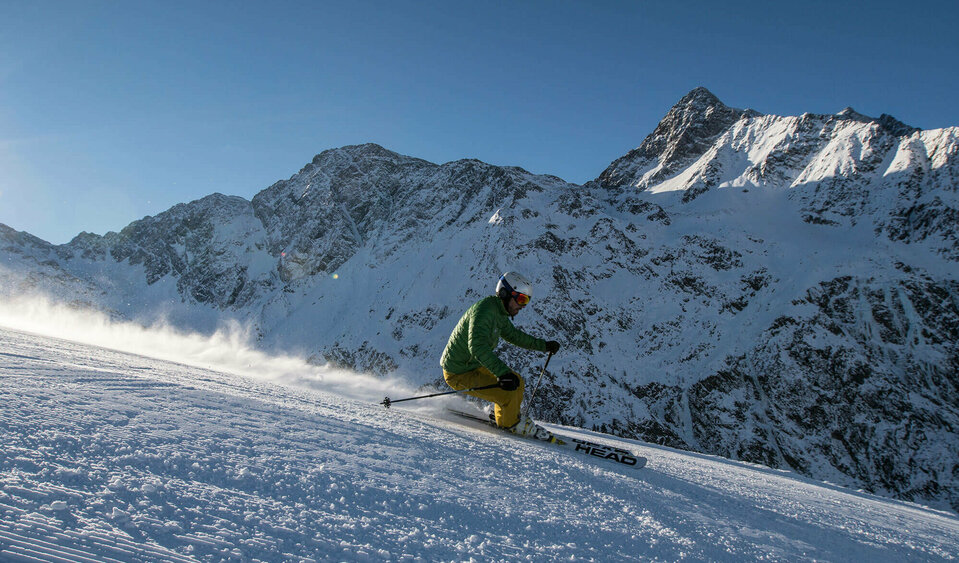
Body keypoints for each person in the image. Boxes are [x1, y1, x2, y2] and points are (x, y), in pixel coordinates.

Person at [441, 272, 561, 440]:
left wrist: (544, 346)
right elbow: (477, 347)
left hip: (472, 366)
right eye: (521, 299)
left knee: (517, 381)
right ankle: (510, 424)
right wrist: (502, 373)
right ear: (505, 294)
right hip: (458, 372)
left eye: (526, 301)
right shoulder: (484, 312)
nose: (523, 306)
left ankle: (507, 416)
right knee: (507, 393)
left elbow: (514, 335)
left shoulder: (499, 311)